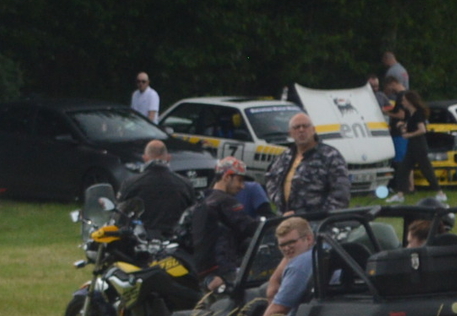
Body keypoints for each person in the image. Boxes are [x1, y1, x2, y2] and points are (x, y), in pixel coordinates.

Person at [184, 159, 260, 289]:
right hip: (222, 272)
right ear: (226, 177)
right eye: (239, 180)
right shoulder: (225, 201)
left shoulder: (203, 200)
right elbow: (250, 228)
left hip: (202, 271)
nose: (242, 186)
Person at [262, 112, 350, 218]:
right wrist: (278, 201)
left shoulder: (330, 156)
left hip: (318, 222)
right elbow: (270, 178)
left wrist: (322, 217)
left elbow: (341, 194)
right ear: (290, 133)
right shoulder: (284, 157)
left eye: (305, 126)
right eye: (297, 127)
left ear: (313, 130)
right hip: (286, 221)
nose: (301, 130)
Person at [116, 139, 195, 236]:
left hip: (140, 241)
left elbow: (120, 216)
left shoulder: (131, 184)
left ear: (144, 158)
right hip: (175, 241)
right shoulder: (185, 184)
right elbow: (193, 215)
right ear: (169, 158)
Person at [389, 87, 431, 194]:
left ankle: (438, 191)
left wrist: (408, 134)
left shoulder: (416, 114)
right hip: (413, 145)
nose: (402, 102)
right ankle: (402, 192)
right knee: (404, 168)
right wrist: (402, 126)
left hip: (418, 146)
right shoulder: (412, 114)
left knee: (426, 170)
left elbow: (422, 130)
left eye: (404, 100)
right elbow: (409, 125)